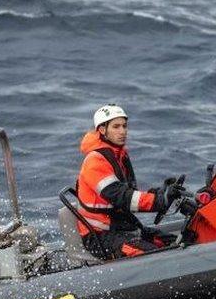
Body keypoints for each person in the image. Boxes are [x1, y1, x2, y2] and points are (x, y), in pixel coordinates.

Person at [75, 104, 187, 259]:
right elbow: (122, 197)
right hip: (101, 237)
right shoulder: (95, 161)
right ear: (102, 130)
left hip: (122, 228)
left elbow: (129, 193)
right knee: (156, 257)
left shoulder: (119, 156)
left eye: (124, 126)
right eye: (116, 127)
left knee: (175, 242)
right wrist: (158, 201)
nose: (122, 131)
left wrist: (161, 192)